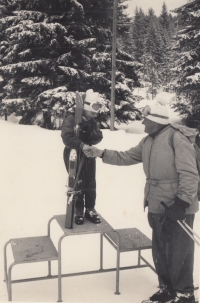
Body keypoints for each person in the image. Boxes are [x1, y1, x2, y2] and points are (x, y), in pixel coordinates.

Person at [82, 96, 199, 303]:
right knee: (160, 250)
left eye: (145, 120)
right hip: (156, 202)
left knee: (180, 251)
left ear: (156, 120)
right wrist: (100, 153)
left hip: (178, 206)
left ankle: (185, 294)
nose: (143, 123)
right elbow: (127, 157)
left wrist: (181, 203)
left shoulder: (176, 139)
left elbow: (190, 175)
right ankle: (167, 290)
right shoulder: (148, 141)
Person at [61, 89, 103, 225]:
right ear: (85, 106)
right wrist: (80, 143)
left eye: (98, 109)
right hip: (73, 154)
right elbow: (66, 137)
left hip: (88, 154)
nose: (95, 113)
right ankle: (78, 208)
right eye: (93, 108)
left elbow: (99, 136)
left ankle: (90, 208)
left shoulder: (92, 121)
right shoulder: (72, 118)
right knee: (78, 181)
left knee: (90, 181)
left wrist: (89, 137)